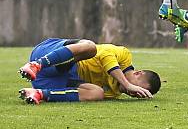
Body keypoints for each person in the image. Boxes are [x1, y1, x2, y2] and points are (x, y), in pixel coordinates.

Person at [18, 38, 160, 104]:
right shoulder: (124, 56)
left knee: (97, 93)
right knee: (90, 47)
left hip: (49, 81)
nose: (133, 92)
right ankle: (36, 65)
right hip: (48, 55)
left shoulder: (114, 93)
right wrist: (127, 84)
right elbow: (104, 54)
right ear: (138, 73)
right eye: (138, 87)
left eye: (136, 95)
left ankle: (39, 94)